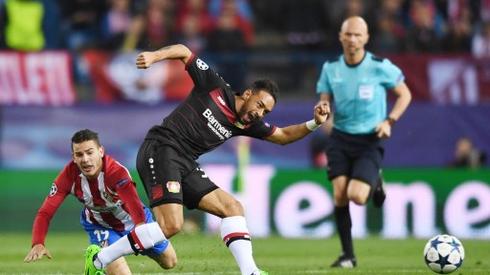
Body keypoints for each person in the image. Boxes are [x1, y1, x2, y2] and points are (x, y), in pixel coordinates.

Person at [85, 43, 330, 275]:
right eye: (259, 105)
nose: (260, 113)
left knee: (232, 208)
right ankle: (99, 260)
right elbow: (184, 51)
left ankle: (251, 271)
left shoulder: (246, 124)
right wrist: (154, 57)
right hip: (162, 149)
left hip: (186, 163)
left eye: (266, 112)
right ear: (247, 94)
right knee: (171, 225)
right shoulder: (214, 86)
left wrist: (315, 123)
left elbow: (284, 135)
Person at [315, 16, 412, 268]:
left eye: (358, 35)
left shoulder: (380, 66)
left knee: (356, 196)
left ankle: (375, 179)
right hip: (340, 137)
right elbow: (324, 100)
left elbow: (405, 94)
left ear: (366, 38)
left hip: (370, 138)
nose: (352, 39)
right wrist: (324, 112)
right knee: (339, 194)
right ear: (340, 36)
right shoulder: (330, 68)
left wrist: (389, 121)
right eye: (348, 34)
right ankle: (348, 256)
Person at [24, 129, 177, 275]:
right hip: (100, 226)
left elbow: (133, 204)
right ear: (74, 158)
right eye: (79, 154)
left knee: (169, 262)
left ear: (101, 151)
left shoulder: (116, 172)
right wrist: (38, 242)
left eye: (89, 152)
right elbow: (45, 212)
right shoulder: (68, 176)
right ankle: (96, 258)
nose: (85, 159)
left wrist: (141, 229)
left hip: (134, 220)